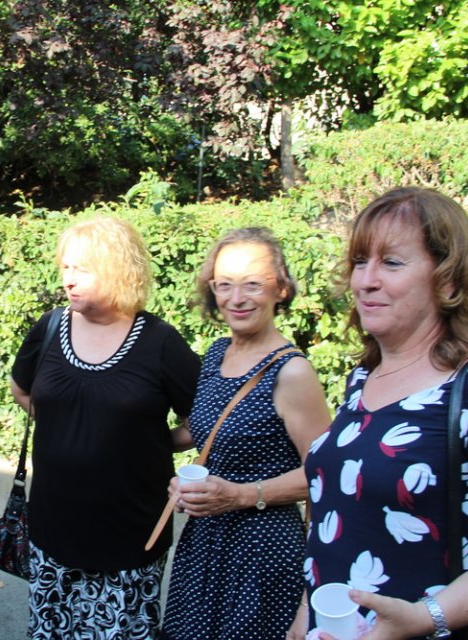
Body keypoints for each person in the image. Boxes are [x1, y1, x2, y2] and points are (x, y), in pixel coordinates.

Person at [292, 187, 468, 640]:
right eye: (360, 262)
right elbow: (337, 515)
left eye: (392, 263)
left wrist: (424, 617)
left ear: (448, 281)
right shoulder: (363, 379)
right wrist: (307, 609)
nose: (365, 281)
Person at [10, 216, 201, 639]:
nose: (69, 280)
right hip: (53, 529)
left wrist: (148, 443)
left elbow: (199, 421)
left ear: (118, 270)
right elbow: (20, 388)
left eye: (83, 269)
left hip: (130, 534)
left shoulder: (160, 342)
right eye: (66, 267)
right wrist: (68, 425)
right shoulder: (50, 327)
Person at [161, 227, 332, 640]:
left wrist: (239, 495)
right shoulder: (217, 353)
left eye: (253, 284)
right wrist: (131, 440)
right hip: (205, 543)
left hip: (262, 551)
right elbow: (202, 430)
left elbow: (324, 473)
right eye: (224, 284)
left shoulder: (292, 371)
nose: (236, 298)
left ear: (281, 289)